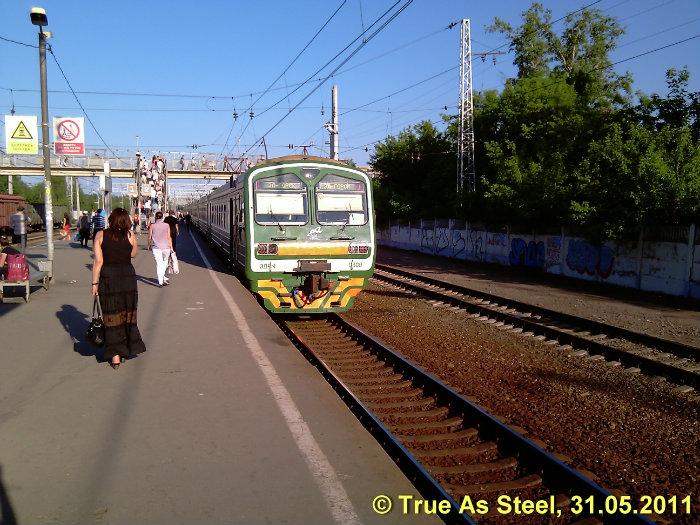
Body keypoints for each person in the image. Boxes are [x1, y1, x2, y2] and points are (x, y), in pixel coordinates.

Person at [91, 208, 146, 369]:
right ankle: (127, 348)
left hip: (108, 278)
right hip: (127, 278)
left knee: (111, 315)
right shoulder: (129, 235)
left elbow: (98, 262)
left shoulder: (101, 235)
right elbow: (134, 253)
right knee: (127, 313)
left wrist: (94, 284)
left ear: (111, 220)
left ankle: (115, 356)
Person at [147, 211, 173, 287]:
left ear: (155, 217)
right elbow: (169, 237)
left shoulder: (152, 226)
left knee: (159, 263)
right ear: (162, 217)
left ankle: (160, 281)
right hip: (166, 247)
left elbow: (149, 237)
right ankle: (162, 278)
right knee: (164, 263)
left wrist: (149, 245)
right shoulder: (166, 225)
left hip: (156, 247)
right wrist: (171, 247)